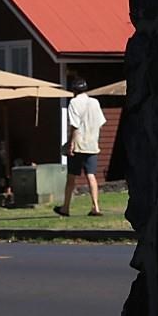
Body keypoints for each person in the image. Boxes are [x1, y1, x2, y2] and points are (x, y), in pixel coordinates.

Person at [57, 78, 105, 217]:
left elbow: (74, 125)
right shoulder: (94, 102)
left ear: (74, 90)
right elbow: (101, 122)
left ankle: (65, 208)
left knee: (71, 177)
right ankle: (96, 206)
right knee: (91, 175)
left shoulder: (74, 102)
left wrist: (70, 143)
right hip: (92, 144)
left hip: (78, 144)